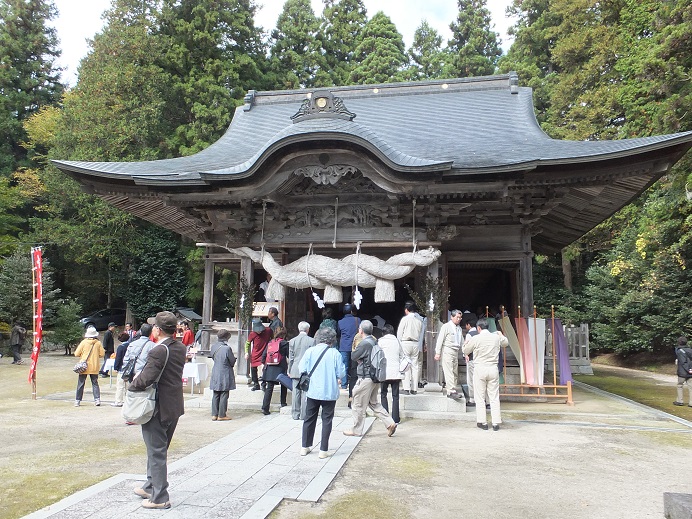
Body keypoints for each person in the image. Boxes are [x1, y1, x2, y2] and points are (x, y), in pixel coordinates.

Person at [130, 311, 186, 510]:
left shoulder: (158, 350)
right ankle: (150, 485)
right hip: (174, 405)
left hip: (158, 406)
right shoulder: (180, 347)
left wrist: (133, 384)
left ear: (157, 329)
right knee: (158, 449)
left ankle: (160, 496)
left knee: (156, 452)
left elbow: (146, 378)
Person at [343, 320, 398, 438]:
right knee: (373, 403)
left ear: (360, 330)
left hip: (366, 377)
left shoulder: (364, 343)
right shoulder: (375, 341)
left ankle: (357, 429)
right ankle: (390, 422)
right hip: (375, 377)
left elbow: (353, 356)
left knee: (357, 403)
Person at [299, 327, 345, 459]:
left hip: (313, 390)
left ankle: (305, 446)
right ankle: (323, 449)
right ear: (332, 340)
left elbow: (302, 368)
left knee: (309, 418)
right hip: (329, 391)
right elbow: (341, 373)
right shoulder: (335, 353)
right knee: (327, 420)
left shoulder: (310, 351)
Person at [463, 317, 509, 431]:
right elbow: (506, 343)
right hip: (493, 368)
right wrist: (500, 334)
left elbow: (465, 351)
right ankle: (495, 422)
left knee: (480, 397)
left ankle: (482, 422)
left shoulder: (476, 338)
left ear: (479, 328)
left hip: (480, 368)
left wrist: (466, 344)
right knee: (493, 396)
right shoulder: (496, 337)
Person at [379, 324, 406, 424]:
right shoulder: (398, 341)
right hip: (396, 372)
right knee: (395, 396)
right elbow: (402, 355)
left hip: (384, 372)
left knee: (383, 394)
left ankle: (386, 418)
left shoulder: (381, 341)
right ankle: (396, 418)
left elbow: (378, 355)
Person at [288, 321, 315, 420]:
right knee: (305, 391)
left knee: (295, 392)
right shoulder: (312, 341)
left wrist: (289, 370)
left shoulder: (292, 341)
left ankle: (295, 413)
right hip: (306, 369)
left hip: (295, 368)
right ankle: (304, 414)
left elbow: (291, 358)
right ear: (308, 329)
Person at [435, 310, 463, 400]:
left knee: (455, 371)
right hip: (448, 350)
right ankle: (451, 390)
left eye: (460, 318)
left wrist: (465, 352)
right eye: (457, 317)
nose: (458, 319)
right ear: (452, 317)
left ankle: (452, 388)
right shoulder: (446, 326)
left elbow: (462, 341)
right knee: (449, 371)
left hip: (456, 351)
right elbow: (440, 340)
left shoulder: (459, 328)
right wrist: (438, 352)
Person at [73, 326, 105, 407]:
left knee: (81, 383)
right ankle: (97, 400)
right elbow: (102, 354)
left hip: (84, 366)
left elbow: (76, 353)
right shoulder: (98, 343)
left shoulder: (84, 342)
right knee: (95, 383)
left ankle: (77, 400)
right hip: (94, 366)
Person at [261, 326, 289, 415]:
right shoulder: (284, 343)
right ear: (284, 334)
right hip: (280, 367)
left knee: (269, 388)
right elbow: (289, 356)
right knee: (284, 385)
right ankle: (283, 403)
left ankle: (265, 408)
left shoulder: (270, 343)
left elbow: (263, 357)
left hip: (270, 368)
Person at [397, 301, 424, 394]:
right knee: (415, 366)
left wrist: (399, 345)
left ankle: (406, 388)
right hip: (416, 343)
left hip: (406, 343)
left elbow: (399, 333)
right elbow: (420, 334)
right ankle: (414, 388)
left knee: (406, 364)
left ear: (406, 310)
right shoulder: (419, 321)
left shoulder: (404, 319)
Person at [209, 329, 236, 421]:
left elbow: (212, 357)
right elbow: (232, 361)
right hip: (225, 371)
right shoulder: (227, 348)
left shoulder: (213, 347)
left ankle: (214, 414)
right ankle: (222, 414)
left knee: (216, 393)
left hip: (216, 370)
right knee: (224, 393)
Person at [338, 304, 360, 389]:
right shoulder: (357, 320)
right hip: (355, 345)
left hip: (344, 346)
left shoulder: (340, 322)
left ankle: (344, 384)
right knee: (355, 366)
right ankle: (354, 383)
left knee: (344, 366)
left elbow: (338, 333)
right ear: (351, 311)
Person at [246, 319, 272, 391]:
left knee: (265, 368)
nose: (259, 331)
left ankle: (264, 384)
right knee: (253, 368)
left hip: (265, 352)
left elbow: (272, 338)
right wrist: (246, 352)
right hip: (255, 352)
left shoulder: (268, 330)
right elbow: (247, 343)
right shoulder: (252, 334)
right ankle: (256, 384)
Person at [462, 313, 479, 407]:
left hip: (472, 360)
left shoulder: (470, 335)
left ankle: (472, 399)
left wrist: (465, 353)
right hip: (479, 361)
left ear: (468, 325)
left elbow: (466, 348)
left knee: (471, 380)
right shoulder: (479, 333)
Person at [111, 336, 130, 407]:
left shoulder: (121, 347)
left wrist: (116, 367)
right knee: (128, 386)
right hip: (129, 369)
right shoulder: (130, 346)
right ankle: (128, 401)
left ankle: (119, 401)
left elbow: (118, 358)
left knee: (120, 386)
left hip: (122, 368)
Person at [674, 336, 692, 407]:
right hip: (691, 372)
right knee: (691, 387)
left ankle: (680, 401)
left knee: (680, 385)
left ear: (679, 342)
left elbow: (683, 362)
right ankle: (691, 403)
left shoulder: (679, 351)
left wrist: (688, 370)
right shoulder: (690, 350)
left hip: (683, 372)